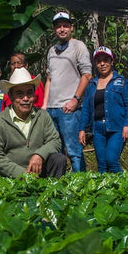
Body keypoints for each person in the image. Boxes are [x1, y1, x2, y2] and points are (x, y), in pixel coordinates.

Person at [0, 68, 66, 178]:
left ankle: (54, 193)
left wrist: (39, 154)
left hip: (40, 171)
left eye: (29, 93)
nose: (25, 98)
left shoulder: (42, 116)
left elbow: (55, 141)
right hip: (12, 177)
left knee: (59, 159)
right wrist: (21, 174)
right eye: (19, 94)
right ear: (11, 97)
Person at [42, 11, 92, 172]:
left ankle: (80, 184)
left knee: (73, 151)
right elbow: (49, 79)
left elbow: (87, 75)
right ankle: (59, 185)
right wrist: (44, 105)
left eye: (65, 26)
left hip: (69, 109)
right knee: (55, 151)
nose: (62, 29)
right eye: (58, 26)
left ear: (71, 27)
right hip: (52, 109)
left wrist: (75, 100)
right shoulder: (52, 51)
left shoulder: (78, 46)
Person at [78, 47, 128, 173]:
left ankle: (123, 189)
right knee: (102, 164)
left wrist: (127, 125)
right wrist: (82, 129)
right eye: (99, 61)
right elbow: (86, 108)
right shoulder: (92, 84)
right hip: (97, 128)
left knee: (111, 160)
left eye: (105, 60)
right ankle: (104, 191)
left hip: (116, 127)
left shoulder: (121, 82)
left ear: (111, 61)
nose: (102, 64)